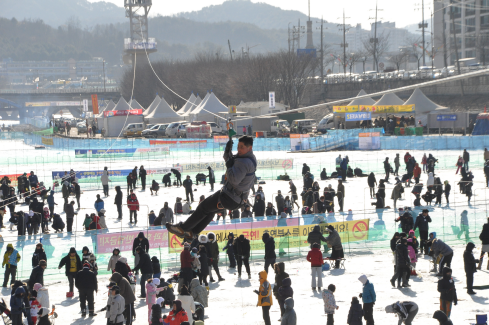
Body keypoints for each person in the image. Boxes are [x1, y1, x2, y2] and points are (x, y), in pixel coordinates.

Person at [166, 136, 256, 239]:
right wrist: (227, 152)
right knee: (209, 211)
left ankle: (183, 228)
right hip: (237, 200)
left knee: (203, 207)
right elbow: (231, 161)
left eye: (242, 147)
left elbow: (234, 179)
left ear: (250, 148)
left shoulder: (244, 162)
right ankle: (192, 232)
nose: (239, 149)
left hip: (229, 197)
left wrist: (229, 166)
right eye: (238, 146)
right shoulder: (248, 158)